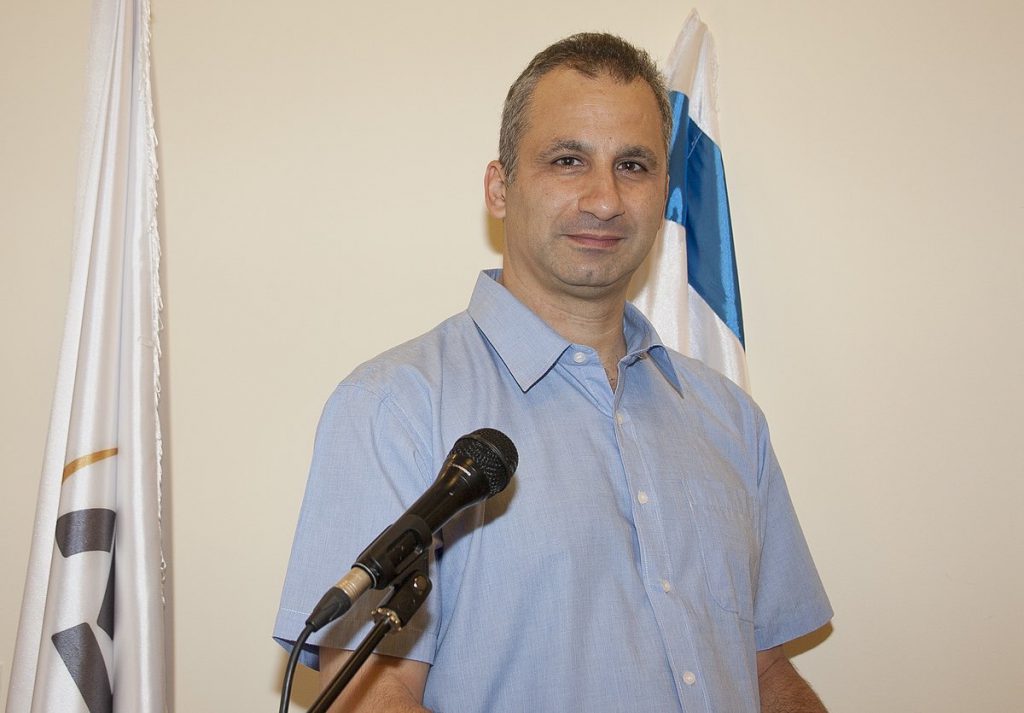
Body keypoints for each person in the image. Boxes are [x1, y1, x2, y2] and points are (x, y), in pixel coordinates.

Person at [274, 32, 833, 712]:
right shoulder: (396, 407)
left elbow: (764, 671)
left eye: (633, 165)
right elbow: (369, 693)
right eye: (569, 161)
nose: (604, 199)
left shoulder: (730, 418)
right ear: (499, 187)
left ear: (664, 193)